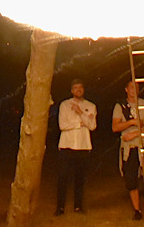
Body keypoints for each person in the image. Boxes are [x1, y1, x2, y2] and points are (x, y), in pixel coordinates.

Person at [113, 80, 144, 220]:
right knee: (131, 179)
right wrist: (131, 122)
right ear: (126, 89)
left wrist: (136, 133)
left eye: (136, 87)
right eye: (131, 87)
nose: (134, 90)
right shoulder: (120, 106)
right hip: (129, 147)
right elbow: (115, 127)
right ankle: (137, 210)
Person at [55, 79, 97, 214]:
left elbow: (92, 126)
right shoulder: (65, 105)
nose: (78, 90)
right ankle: (60, 207)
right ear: (72, 90)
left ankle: (78, 206)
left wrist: (80, 113)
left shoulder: (90, 106)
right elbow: (63, 125)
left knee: (80, 178)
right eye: (75, 88)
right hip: (67, 146)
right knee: (63, 177)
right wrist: (81, 122)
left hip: (83, 146)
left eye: (80, 87)